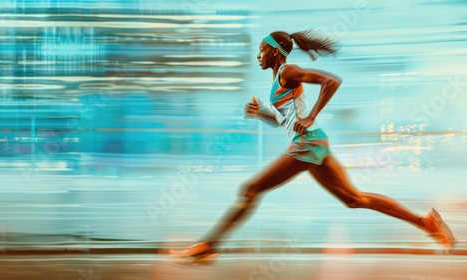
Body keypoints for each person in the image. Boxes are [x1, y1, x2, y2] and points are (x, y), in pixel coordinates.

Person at [169, 30, 456, 262]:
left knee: (250, 190)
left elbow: (331, 81)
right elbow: (287, 121)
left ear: (275, 51)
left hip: (307, 144)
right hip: (311, 143)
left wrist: (311, 116)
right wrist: (263, 115)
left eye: (261, 49)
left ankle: (208, 247)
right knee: (355, 199)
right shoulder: (279, 80)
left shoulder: (288, 71)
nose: (258, 55)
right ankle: (426, 223)